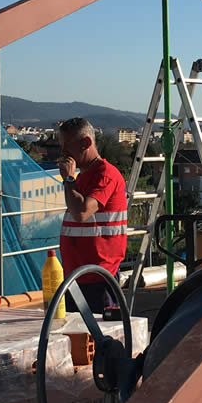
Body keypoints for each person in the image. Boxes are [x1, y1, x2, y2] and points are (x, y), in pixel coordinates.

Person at [57, 117, 127, 313]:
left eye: (67, 146)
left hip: (98, 278)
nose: (63, 152)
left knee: (100, 329)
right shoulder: (82, 178)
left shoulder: (105, 175)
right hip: (76, 277)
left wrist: (68, 179)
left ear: (86, 143)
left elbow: (81, 212)